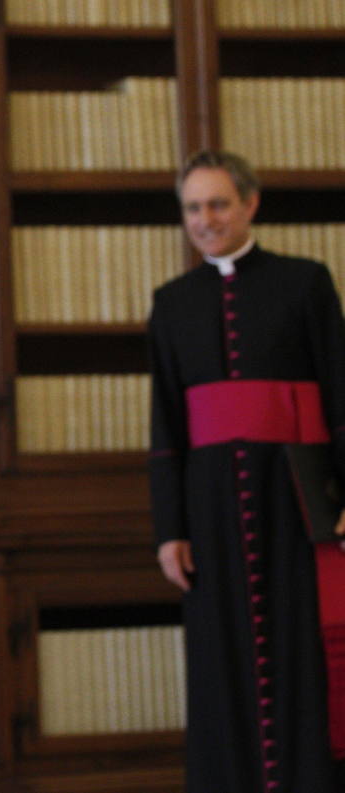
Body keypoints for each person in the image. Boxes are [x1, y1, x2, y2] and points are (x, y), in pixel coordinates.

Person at [149, 149, 345, 792]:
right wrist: (169, 528)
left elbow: (340, 396)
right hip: (210, 508)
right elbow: (167, 427)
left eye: (218, 204)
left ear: (250, 204)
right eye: (193, 208)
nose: (205, 220)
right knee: (220, 656)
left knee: (306, 652)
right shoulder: (172, 303)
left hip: (295, 497)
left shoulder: (306, 281)